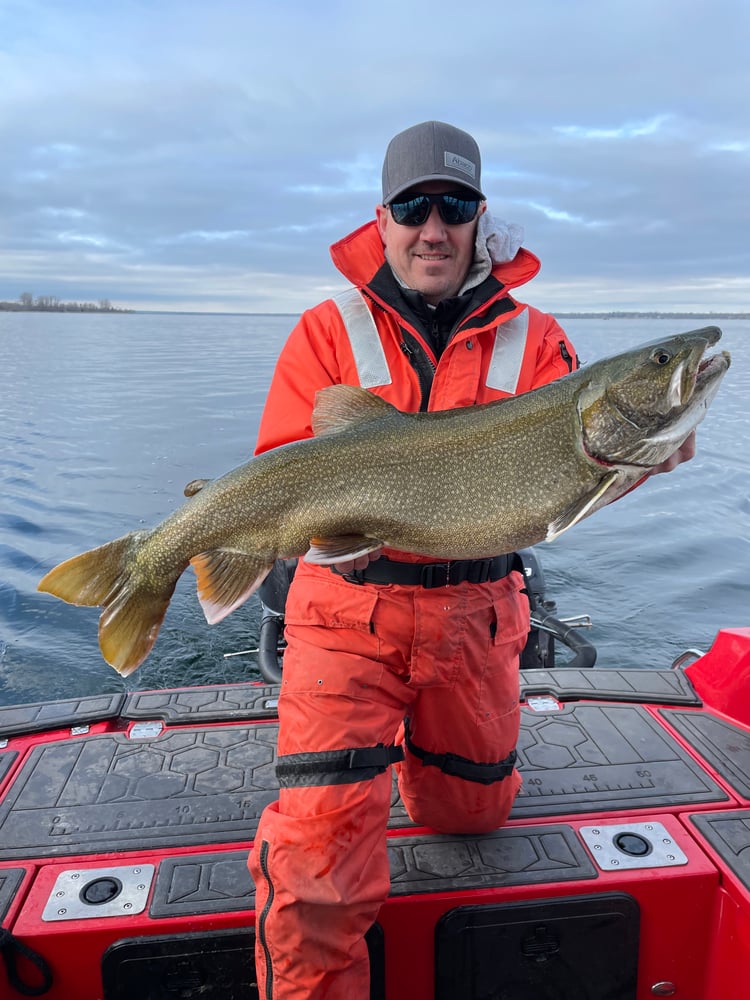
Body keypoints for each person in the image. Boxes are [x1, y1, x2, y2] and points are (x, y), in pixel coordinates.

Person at [247, 120, 694, 999]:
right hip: (346, 616)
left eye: (454, 206)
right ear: (382, 220)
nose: (433, 227)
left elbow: (572, 481)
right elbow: (278, 470)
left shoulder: (540, 341)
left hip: (477, 620)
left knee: (473, 818)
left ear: (480, 219)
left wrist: (647, 460)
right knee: (317, 869)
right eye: (414, 207)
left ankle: (417, 765)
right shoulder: (326, 330)